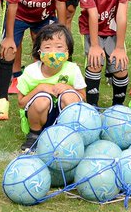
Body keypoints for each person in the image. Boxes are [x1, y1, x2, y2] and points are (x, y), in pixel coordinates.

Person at [78, 0, 131, 109]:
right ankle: (92, 108)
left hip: (114, 31)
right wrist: (94, 45)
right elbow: (92, 14)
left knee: (121, 67)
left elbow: (122, 15)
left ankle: (118, 108)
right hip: (92, 30)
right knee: (94, 64)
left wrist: (119, 47)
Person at [17, 22, 86, 152]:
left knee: (69, 96)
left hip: (63, 117)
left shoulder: (72, 69)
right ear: (39, 51)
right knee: (42, 99)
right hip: (40, 116)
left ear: (67, 51)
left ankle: (69, 134)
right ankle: (35, 135)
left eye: (59, 47)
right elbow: (21, 103)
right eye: (47, 47)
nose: (53, 52)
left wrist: (69, 87)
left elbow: (83, 98)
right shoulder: (31, 72)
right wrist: (39, 88)